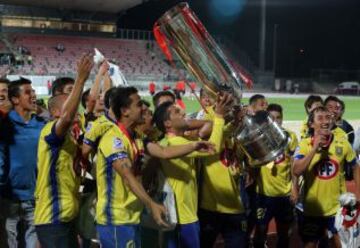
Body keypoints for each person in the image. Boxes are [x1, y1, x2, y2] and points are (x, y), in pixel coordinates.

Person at [153, 93, 232, 248]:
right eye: (177, 112)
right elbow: (212, 148)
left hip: (185, 215)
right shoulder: (174, 143)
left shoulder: (178, 141)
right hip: (182, 218)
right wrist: (219, 116)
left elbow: (211, 135)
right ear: (167, 123)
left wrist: (230, 123)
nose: (183, 112)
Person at [34, 54, 93, 248]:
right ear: (55, 113)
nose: (76, 109)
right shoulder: (49, 133)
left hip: (66, 217)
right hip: (53, 218)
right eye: (71, 106)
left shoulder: (70, 137)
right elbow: (67, 117)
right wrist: (81, 79)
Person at [293, 106, 360, 248]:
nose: (325, 121)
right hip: (312, 208)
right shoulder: (305, 144)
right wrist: (314, 148)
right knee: (310, 245)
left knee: (342, 244)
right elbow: (296, 170)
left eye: (328, 118)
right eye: (320, 118)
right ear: (311, 124)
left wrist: (359, 192)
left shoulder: (342, 142)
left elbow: (355, 166)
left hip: (337, 209)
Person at [0, 77, 46, 248]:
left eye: (33, 91)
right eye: (28, 92)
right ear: (15, 99)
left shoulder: (41, 125)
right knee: (8, 242)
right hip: (9, 198)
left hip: (35, 197)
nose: (33, 95)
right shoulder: (4, 125)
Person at [253, 103, 298, 248]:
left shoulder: (290, 137)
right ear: (267, 119)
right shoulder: (258, 137)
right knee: (260, 230)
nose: (276, 121)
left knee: (284, 233)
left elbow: (294, 165)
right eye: (272, 118)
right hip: (264, 194)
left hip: (284, 195)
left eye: (279, 118)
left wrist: (294, 188)